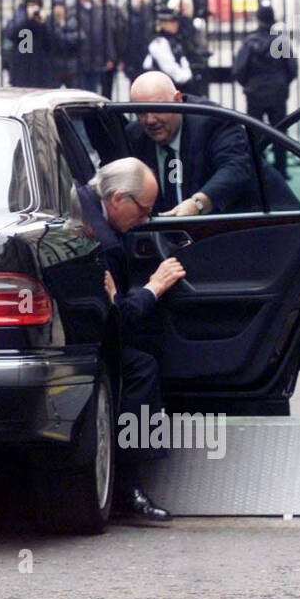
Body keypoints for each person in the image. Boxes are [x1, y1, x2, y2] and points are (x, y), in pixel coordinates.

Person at [72, 157, 185, 523]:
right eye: (144, 210)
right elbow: (116, 320)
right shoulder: (104, 243)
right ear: (119, 198)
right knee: (140, 366)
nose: (146, 219)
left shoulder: (82, 198)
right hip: (81, 340)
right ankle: (128, 484)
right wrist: (154, 287)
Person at [127, 70, 256, 215]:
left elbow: (236, 168)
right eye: (141, 112)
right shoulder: (134, 135)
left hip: (246, 223)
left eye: (157, 108)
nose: (150, 120)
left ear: (178, 99)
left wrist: (198, 203)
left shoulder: (212, 120)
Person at [233, 3, 298, 175]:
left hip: (255, 91)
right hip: (277, 91)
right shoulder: (280, 41)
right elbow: (292, 68)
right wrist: (283, 82)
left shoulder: (249, 42)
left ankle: (258, 166)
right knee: (279, 130)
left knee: (254, 131)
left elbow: (239, 69)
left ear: (258, 19)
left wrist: (247, 84)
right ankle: (281, 168)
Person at [74, 0, 127, 97]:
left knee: (103, 95)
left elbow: (110, 36)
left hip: (102, 59)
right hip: (83, 60)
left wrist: (113, 57)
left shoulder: (105, 11)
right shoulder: (75, 10)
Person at [141, 1, 199, 96]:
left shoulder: (174, 40)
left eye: (176, 21)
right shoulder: (158, 43)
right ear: (162, 24)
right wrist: (187, 77)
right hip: (162, 90)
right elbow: (170, 69)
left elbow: (183, 61)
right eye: (171, 22)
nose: (175, 24)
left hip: (175, 87)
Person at [3, 0, 55, 87]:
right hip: (22, 68)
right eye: (30, 5)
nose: (34, 9)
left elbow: (51, 41)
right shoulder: (19, 16)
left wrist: (44, 23)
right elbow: (10, 33)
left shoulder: (43, 19)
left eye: (35, 6)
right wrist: (27, 18)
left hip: (40, 69)